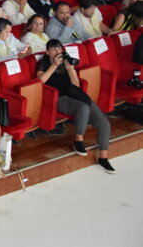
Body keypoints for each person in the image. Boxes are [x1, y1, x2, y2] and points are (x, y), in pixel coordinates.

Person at [37, 40, 114, 172]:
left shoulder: (67, 61)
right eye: (54, 49)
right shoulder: (43, 62)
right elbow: (40, 81)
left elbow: (76, 84)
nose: (57, 52)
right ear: (47, 51)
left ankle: (104, 158)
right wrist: (54, 65)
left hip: (76, 94)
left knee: (104, 123)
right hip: (59, 98)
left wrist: (70, 69)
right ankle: (79, 140)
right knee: (83, 108)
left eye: (59, 49)